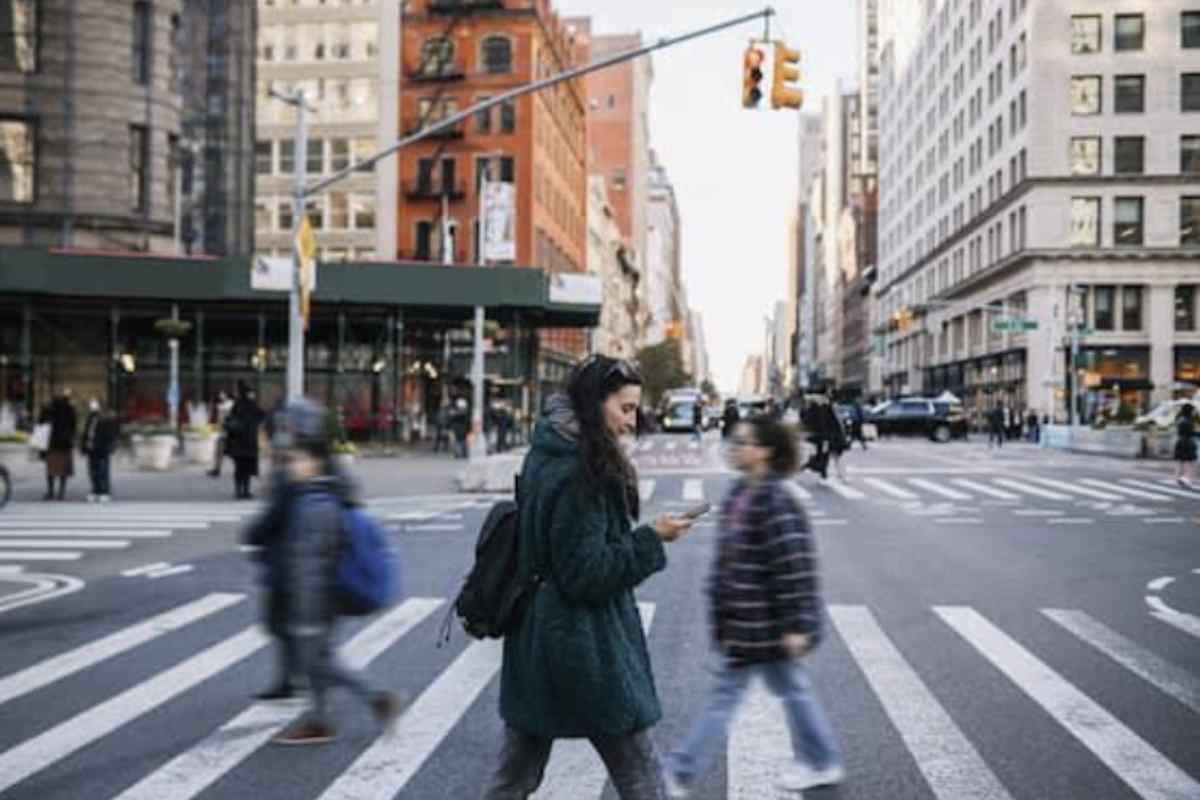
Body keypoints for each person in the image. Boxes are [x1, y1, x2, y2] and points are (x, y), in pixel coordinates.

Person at [481, 354, 694, 800]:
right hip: (584, 644)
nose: (632, 421)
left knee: (516, 774)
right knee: (639, 770)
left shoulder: (549, 449)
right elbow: (587, 573)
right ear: (596, 403)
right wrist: (652, 539)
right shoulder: (583, 472)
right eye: (626, 408)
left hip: (538, 634)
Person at [663, 415, 842, 797]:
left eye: (744, 442)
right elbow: (730, 560)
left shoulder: (776, 499)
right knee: (791, 691)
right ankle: (822, 759)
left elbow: (794, 566)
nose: (735, 447)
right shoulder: (741, 493)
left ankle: (679, 772)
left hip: (764, 625)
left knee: (725, 699)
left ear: (765, 452)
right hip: (748, 622)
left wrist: (797, 625)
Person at [242, 399, 401, 745]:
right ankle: (319, 719)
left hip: (311, 591)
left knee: (316, 656)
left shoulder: (312, 495)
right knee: (317, 654)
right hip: (324, 587)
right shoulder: (332, 480)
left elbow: (307, 560)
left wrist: (306, 608)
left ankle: (373, 697)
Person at [226, 384, 266, 500]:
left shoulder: (237, 405)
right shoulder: (252, 405)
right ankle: (245, 491)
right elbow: (262, 415)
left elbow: (230, 420)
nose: (252, 395)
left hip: (238, 443)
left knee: (239, 468)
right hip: (249, 443)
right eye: (251, 393)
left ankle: (239, 491)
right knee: (247, 468)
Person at [80, 398, 119, 503]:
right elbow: (86, 432)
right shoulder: (91, 417)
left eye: (94, 403)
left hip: (102, 449)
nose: (91, 405)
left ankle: (104, 491)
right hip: (91, 448)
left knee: (103, 471)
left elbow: (111, 435)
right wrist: (83, 447)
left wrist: (110, 446)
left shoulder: (107, 418)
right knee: (93, 471)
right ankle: (95, 490)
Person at [43, 388, 77, 501]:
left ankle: (51, 491)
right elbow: (74, 426)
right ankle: (61, 492)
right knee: (63, 470)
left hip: (52, 443)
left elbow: (41, 422)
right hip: (65, 444)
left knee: (51, 470)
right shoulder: (70, 409)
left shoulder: (50, 409)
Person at [208, 390, 234, 478]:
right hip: (224, 433)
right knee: (219, 451)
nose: (221, 396)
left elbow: (223, 409)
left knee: (234, 453)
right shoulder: (223, 406)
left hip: (231, 434)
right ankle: (217, 469)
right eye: (220, 395)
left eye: (223, 395)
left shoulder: (230, 404)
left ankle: (217, 469)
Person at [1174, 403, 1196, 489]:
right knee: (1190, 461)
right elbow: (1191, 432)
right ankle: (1186, 479)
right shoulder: (1188, 420)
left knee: (1181, 461)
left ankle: (1179, 478)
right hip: (1188, 442)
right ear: (1189, 411)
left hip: (1180, 441)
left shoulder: (1180, 419)